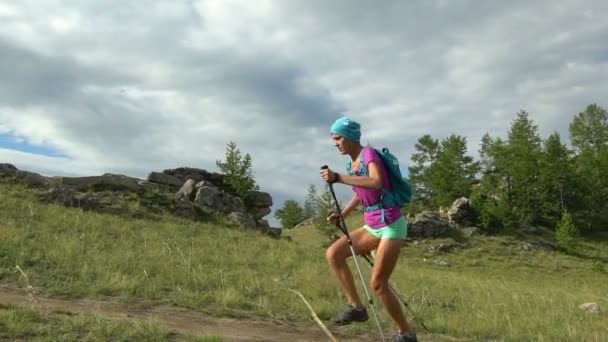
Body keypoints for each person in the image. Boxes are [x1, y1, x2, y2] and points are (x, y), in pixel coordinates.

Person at [320, 117, 417, 342]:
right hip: (372, 225)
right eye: (333, 139)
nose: (335, 143)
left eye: (338, 138)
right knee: (333, 254)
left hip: (391, 225)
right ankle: (356, 308)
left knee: (378, 284)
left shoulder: (369, 154)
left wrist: (338, 178)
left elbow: (375, 182)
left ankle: (406, 334)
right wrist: (342, 215)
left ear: (351, 137)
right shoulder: (350, 163)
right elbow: (358, 190)